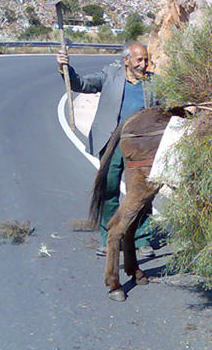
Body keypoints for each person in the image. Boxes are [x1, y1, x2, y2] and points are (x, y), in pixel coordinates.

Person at [57, 42, 159, 256]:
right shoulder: (110, 75)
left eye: (146, 59)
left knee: (141, 193)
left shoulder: (153, 84)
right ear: (126, 60)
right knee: (108, 190)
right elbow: (82, 84)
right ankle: (109, 237)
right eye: (139, 60)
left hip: (140, 147)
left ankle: (142, 238)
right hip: (111, 142)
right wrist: (66, 68)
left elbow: (167, 107)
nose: (144, 64)